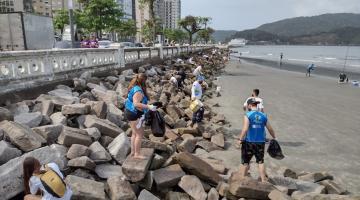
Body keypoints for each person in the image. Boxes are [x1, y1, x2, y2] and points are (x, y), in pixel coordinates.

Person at [236, 98, 276, 182]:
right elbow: (270, 129)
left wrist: (240, 139)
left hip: (249, 142)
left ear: (249, 106)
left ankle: (242, 179)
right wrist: (274, 137)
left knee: (246, 162)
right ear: (256, 105)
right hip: (261, 142)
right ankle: (263, 180)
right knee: (260, 161)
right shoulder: (263, 115)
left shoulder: (248, 115)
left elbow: (245, 129)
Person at [125, 73, 157, 159]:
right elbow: (136, 104)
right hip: (134, 113)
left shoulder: (134, 87)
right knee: (139, 134)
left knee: (134, 133)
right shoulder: (138, 90)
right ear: (144, 81)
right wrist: (149, 107)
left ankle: (133, 152)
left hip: (130, 112)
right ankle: (137, 154)